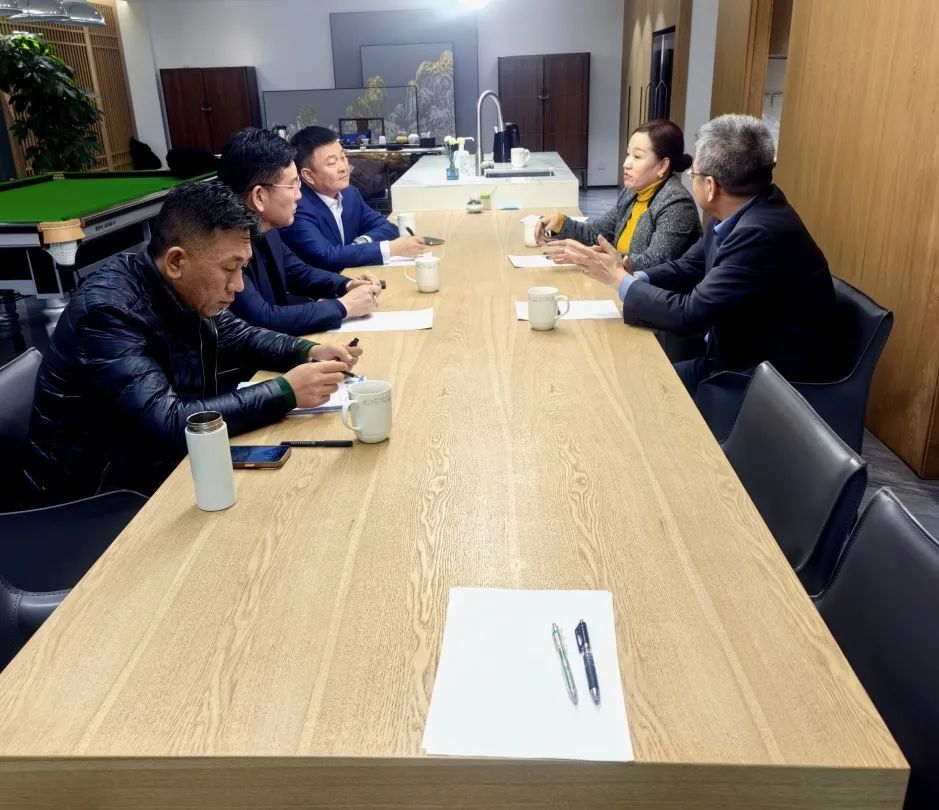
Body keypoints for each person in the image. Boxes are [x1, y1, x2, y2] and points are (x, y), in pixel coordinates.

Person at [21, 180, 362, 506]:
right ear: (176, 262)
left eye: (243, 268)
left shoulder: (182, 287)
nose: (239, 285)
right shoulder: (108, 313)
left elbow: (240, 335)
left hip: (155, 465)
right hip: (100, 495)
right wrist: (285, 391)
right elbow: (167, 423)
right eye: (229, 269)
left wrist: (306, 350)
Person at [546, 114, 835, 396]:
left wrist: (619, 279)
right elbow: (688, 266)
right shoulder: (740, 210)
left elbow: (689, 314)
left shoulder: (759, 233)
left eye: (693, 175)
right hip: (732, 352)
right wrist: (630, 274)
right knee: (624, 375)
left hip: (764, 377)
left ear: (710, 187)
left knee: (627, 388)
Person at [218, 128, 381, 335]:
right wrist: (344, 307)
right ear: (259, 197)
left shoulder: (267, 226)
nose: (299, 196)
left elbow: (299, 272)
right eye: (292, 186)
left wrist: (347, 284)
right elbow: (263, 319)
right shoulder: (223, 246)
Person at [536, 119, 700, 273]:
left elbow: (654, 263)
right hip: (620, 283)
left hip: (651, 291)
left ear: (662, 165)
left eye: (637, 156)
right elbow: (596, 234)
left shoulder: (677, 204)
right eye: (628, 154)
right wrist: (560, 222)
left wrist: (596, 257)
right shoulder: (631, 193)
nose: (626, 164)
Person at [281, 125, 426, 272]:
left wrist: (361, 242)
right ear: (308, 175)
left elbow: (388, 228)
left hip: (355, 278)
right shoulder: (296, 208)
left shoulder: (350, 194)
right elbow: (327, 256)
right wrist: (390, 248)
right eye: (332, 163)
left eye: (343, 157)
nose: (344, 167)